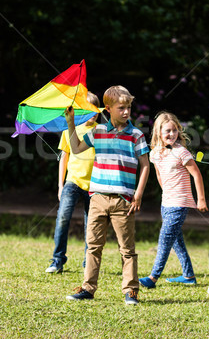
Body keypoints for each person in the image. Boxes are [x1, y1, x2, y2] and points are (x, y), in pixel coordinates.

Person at [64, 85, 150, 306]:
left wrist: (138, 194)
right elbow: (75, 148)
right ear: (108, 109)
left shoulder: (136, 135)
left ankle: (131, 291)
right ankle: (88, 288)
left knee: (127, 249)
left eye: (129, 107)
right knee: (93, 245)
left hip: (124, 200)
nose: (126, 112)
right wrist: (71, 122)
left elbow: (145, 165)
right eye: (121, 108)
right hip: (98, 198)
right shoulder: (97, 131)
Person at [139, 112, 208, 289]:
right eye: (167, 131)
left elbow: (196, 175)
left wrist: (201, 199)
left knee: (165, 238)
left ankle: (153, 277)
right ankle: (189, 275)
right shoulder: (155, 153)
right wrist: (166, 194)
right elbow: (160, 176)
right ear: (159, 132)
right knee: (176, 240)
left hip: (180, 202)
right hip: (167, 202)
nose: (172, 134)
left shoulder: (181, 152)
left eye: (175, 130)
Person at [45, 92, 101, 274]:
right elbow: (64, 157)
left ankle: (89, 264)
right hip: (72, 182)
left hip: (95, 186)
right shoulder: (69, 129)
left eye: (95, 110)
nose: (93, 114)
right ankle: (57, 260)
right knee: (63, 218)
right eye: (87, 110)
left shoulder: (101, 131)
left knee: (91, 226)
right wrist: (60, 186)